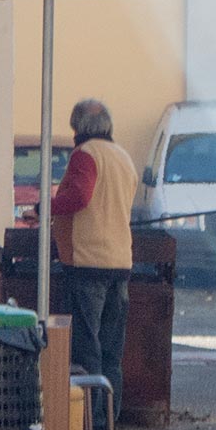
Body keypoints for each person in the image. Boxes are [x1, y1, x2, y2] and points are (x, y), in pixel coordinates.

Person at [50, 98, 139, 404]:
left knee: (88, 349)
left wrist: (43, 207)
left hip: (88, 263)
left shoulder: (85, 155)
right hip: (120, 262)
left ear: (77, 126)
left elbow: (80, 196)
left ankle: (90, 425)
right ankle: (108, 424)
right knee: (112, 350)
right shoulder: (123, 157)